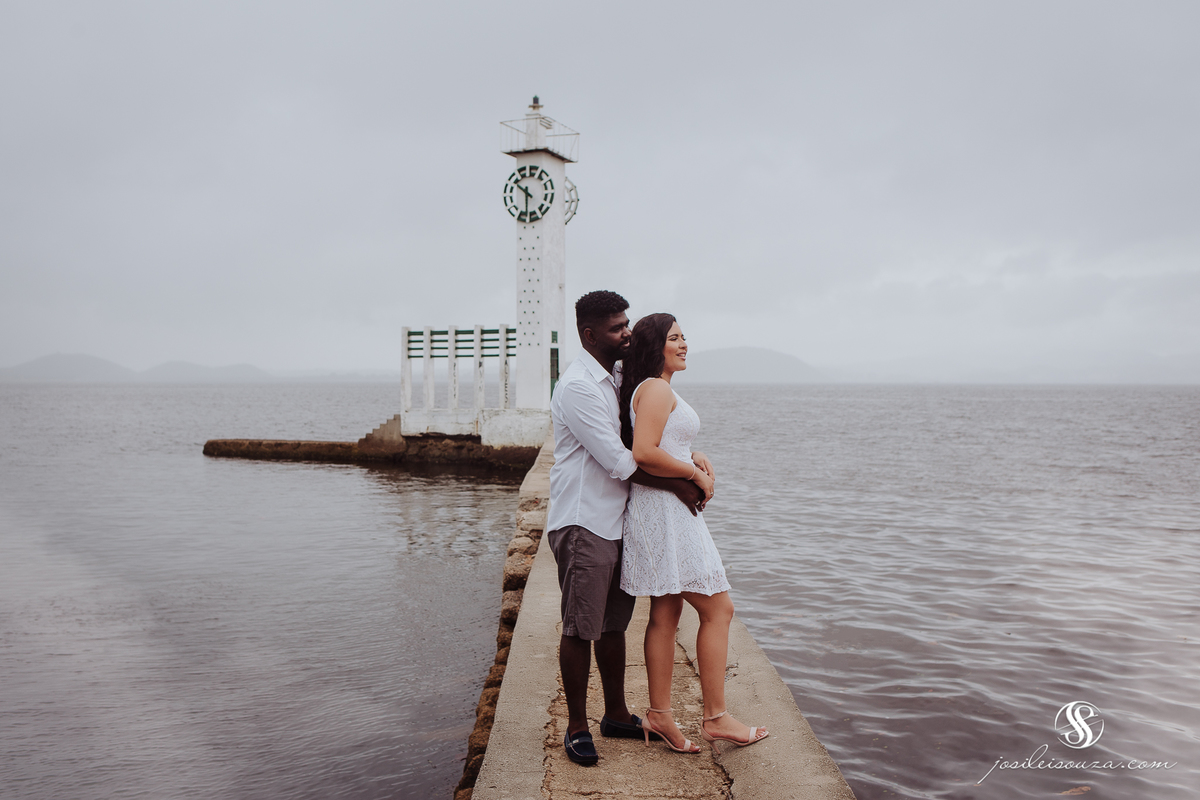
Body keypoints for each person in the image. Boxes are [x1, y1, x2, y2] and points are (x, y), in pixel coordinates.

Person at [546, 291, 712, 766]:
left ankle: (616, 714)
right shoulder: (577, 386)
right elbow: (621, 459)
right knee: (581, 627)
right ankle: (577, 726)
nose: (627, 333)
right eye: (618, 327)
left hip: (618, 521)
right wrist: (682, 483)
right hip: (584, 522)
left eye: (627, 324)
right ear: (589, 335)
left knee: (615, 625)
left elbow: (652, 432)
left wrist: (689, 457)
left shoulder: (618, 376)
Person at [618, 312, 769, 755]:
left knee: (665, 615)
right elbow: (643, 452)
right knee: (719, 609)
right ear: (654, 346)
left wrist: (693, 453)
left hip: (661, 510)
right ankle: (716, 718)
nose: (684, 345)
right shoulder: (658, 388)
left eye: (685, 337)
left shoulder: (653, 389)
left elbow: (661, 441)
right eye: (674, 338)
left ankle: (660, 715)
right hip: (665, 513)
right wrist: (694, 474)